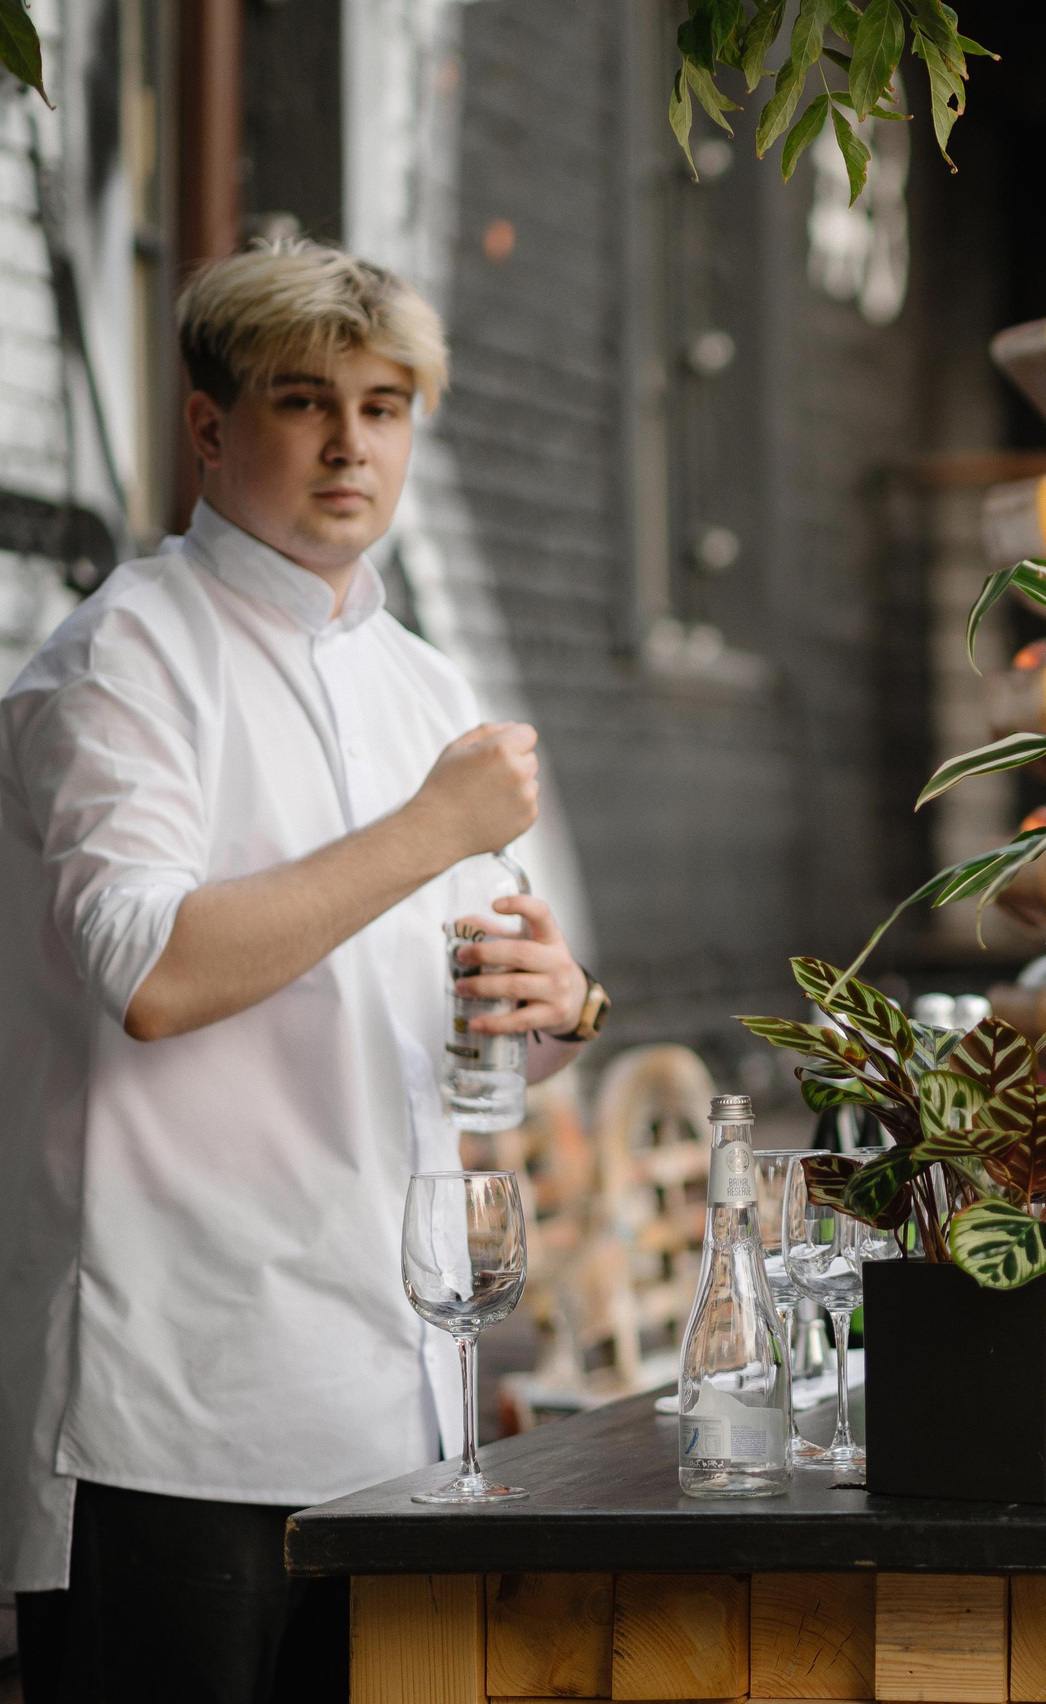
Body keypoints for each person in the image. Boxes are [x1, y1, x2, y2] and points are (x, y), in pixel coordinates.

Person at [0, 240, 611, 1701]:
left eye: (385, 407)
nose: (352, 444)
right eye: (304, 401)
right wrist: (429, 829)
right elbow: (150, 974)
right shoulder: (124, 658)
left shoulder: (424, 681)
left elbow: (453, 1027)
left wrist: (562, 1007)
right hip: (175, 1406)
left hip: (404, 1402)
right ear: (209, 428)